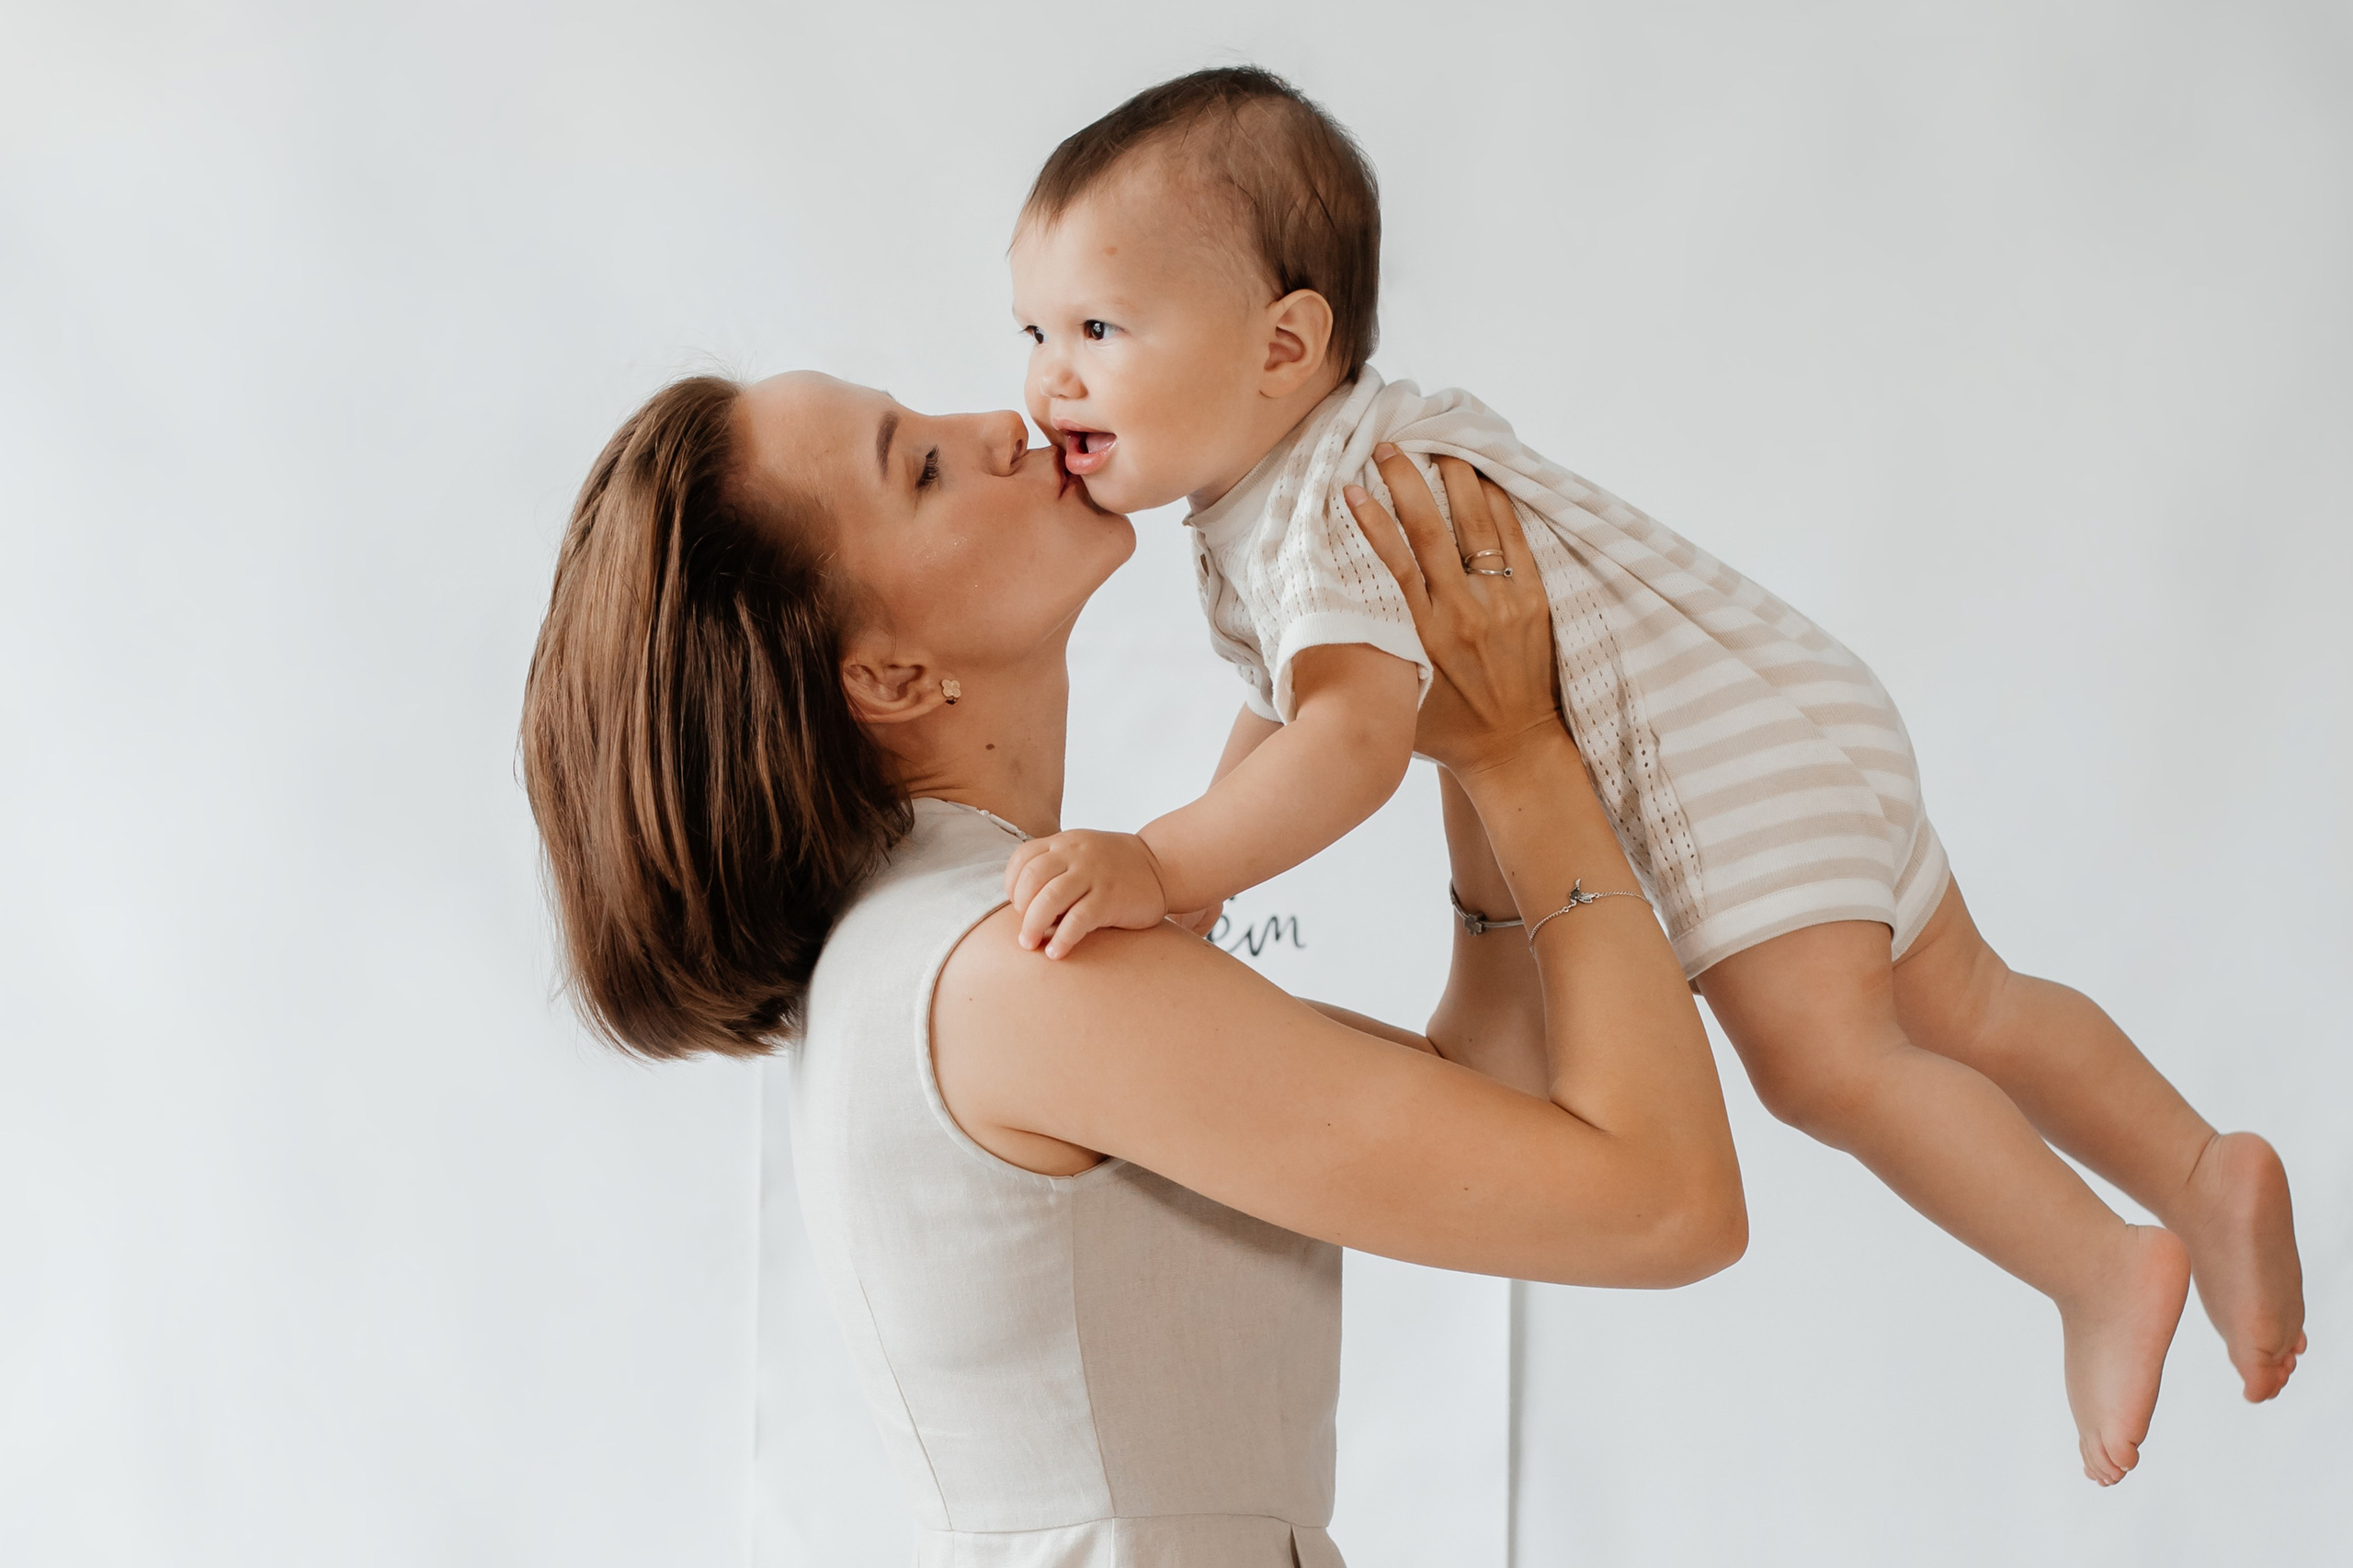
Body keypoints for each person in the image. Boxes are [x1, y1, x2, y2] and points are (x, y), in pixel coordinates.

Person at [999, 65, 2304, 1485]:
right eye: (1034, 331)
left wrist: (1166, 862)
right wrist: (1201, 869)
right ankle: (2199, 1168)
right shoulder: (1304, 481)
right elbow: (1293, 705)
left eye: (1098, 328)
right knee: (1967, 1001)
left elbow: (1350, 745)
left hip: (1718, 769)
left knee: (1825, 1062)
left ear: (1283, 344)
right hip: (1777, 705)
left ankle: (2097, 1263)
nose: (1048, 376)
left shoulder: (1333, 506)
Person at [517, 371, 1745, 1564]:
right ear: (889, 677)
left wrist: (1467, 734)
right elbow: (1667, 1207)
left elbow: (1495, 1107)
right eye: (924, 467)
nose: (1001, 422)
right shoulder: (1015, 977)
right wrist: (1522, 749)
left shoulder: (938, 953)